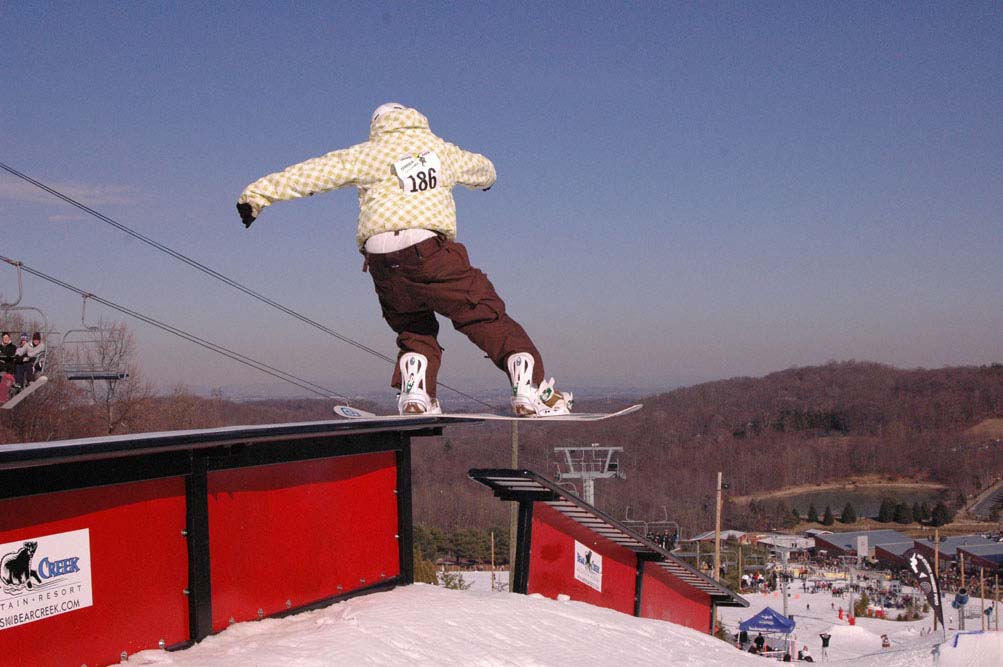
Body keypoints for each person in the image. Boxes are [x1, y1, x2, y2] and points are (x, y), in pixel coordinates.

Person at [237, 103, 572, 416]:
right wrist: (486, 181)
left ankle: (416, 394)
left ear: (377, 127)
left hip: (382, 260)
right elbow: (483, 168)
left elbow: (313, 173)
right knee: (484, 313)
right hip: (431, 251)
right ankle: (531, 388)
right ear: (415, 120)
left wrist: (257, 195)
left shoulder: (368, 154)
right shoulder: (439, 150)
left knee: (413, 327)